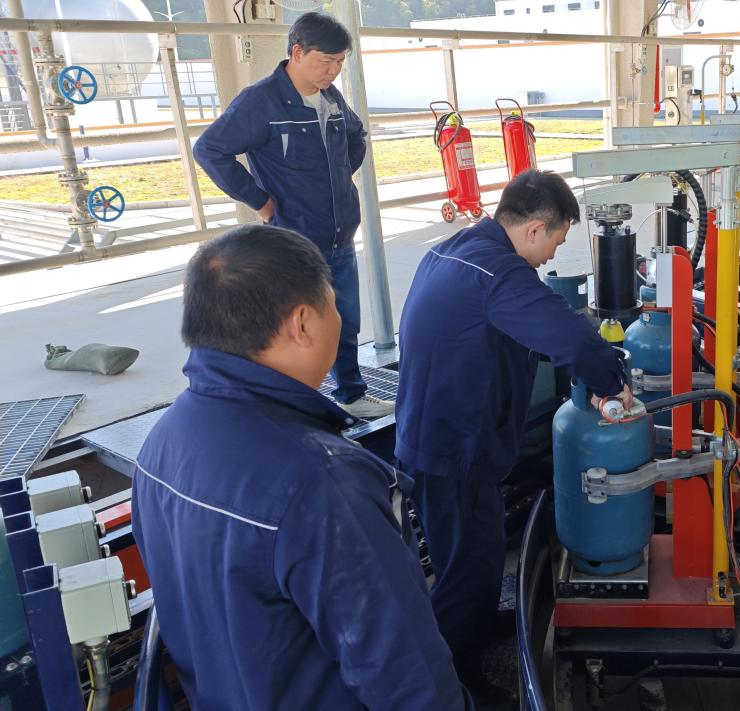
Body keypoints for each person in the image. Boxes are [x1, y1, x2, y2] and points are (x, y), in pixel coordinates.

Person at [132, 225, 471, 710]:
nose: (340, 317)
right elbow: (406, 676)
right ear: (302, 323)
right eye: (333, 303)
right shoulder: (324, 482)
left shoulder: (162, 443)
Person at [394, 169, 633, 703]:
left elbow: (526, 330)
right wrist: (611, 381)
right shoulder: (499, 274)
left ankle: (476, 627)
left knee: (471, 555)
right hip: (452, 449)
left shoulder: (457, 249)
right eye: (557, 242)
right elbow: (572, 338)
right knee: (467, 568)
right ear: (534, 230)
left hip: (433, 434)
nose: (551, 257)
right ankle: (456, 684)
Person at [193, 11, 391, 419]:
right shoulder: (260, 101)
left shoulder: (330, 97)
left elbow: (355, 135)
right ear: (297, 53)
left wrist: (339, 178)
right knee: (294, 329)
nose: (333, 71)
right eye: (325, 61)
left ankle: (351, 394)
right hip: (295, 240)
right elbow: (209, 150)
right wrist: (260, 201)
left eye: (340, 62)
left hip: (339, 234)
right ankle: (290, 408)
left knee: (344, 319)